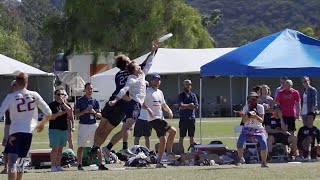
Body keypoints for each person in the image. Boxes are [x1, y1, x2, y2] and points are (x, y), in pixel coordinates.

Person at [92, 40, 159, 157]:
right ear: (128, 64)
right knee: (108, 130)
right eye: (130, 60)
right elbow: (147, 62)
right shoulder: (133, 74)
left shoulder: (118, 75)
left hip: (113, 99)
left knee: (102, 125)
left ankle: (95, 146)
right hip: (123, 104)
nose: (132, 60)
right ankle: (103, 148)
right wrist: (153, 51)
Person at [0, 72, 52, 180]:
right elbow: (48, 112)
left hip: (15, 131)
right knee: (21, 162)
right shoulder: (34, 95)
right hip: (28, 132)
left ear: (16, 82)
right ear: (27, 82)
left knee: (12, 162)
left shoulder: (10, 97)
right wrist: (41, 124)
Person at [144, 74, 180, 168]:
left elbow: (163, 105)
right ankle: (169, 153)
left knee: (163, 140)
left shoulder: (160, 92)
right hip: (154, 119)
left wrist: (169, 111)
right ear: (151, 81)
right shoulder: (148, 91)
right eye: (155, 80)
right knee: (173, 131)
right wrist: (148, 109)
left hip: (160, 118)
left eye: (159, 80)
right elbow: (141, 103)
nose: (157, 81)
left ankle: (158, 162)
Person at [75, 83, 106, 170]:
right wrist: (85, 111)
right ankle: (79, 164)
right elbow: (76, 114)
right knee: (81, 145)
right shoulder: (80, 100)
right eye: (88, 89)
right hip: (83, 125)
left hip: (93, 125)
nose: (90, 90)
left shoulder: (95, 101)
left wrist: (93, 112)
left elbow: (100, 115)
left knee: (97, 145)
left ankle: (100, 164)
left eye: (91, 89)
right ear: (85, 90)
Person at [235, 92, 268, 168]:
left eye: (254, 98)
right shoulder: (246, 107)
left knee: (263, 143)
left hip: (258, 128)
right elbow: (243, 121)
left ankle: (263, 162)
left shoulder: (260, 107)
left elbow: (262, 120)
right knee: (240, 141)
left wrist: (256, 116)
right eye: (251, 98)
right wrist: (248, 115)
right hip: (247, 128)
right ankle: (241, 158)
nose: (252, 100)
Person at [48, 89, 72, 172]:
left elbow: (70, 112)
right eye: (58, 94)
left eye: (62, 94)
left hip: (64, 129)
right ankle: (53, 165)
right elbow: (50, 117)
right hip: (54, 129)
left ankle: (58, 165)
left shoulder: (66, 104)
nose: (60, 96)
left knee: (60, 149)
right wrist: (59, 114)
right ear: (55, 96)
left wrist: (62, 103)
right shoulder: (51, 105)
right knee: (55, 148)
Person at [1, 80, 18, 174]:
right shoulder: (9, 98)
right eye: (14, 85)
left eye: (17, 84)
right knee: (7, 147)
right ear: (11, 87)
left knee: (20, 146)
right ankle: (6, 167)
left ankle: (19, 167)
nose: (16, 86)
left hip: (19, 126)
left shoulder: (24, 97)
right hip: (9, 125)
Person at [178, 79, 199, 150]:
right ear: (183, 85)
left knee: (191, 136)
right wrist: (189, 105)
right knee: (182, 136)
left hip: (191, 118)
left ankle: (192, 150)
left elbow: (196, 106)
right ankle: (180, 150)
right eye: (186, 84)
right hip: (183, 118)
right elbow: (181, 106)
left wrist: (186, 106)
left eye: (189, 84)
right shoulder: (181, 96)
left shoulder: (193, 95)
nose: (187, 86)